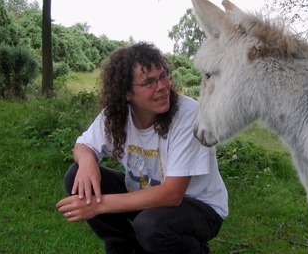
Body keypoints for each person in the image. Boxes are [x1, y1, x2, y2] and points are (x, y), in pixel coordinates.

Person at [56, 42, 228, 254]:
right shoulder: (116, 116)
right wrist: (87, 161)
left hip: (200, 207)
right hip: (147, 196)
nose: (162, 86)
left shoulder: (187, 113)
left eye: (163, 76)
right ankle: (125, 248)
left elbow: (172, 195)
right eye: (149, 82)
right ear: (127, 92)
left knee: (150, 226)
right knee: (76, 176)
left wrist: (99, 205)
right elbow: (83, 145)